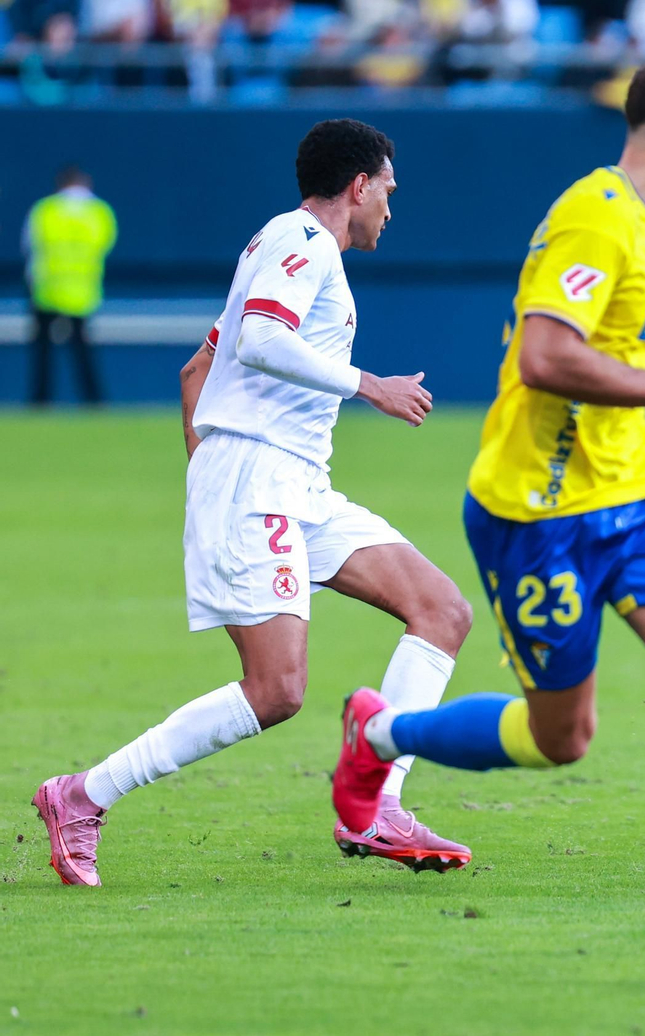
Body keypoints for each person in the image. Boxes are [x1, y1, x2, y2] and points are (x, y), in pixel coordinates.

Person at [330, 56, 645, 991]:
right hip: (535, 517)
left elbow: (596, 381)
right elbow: (546, 358)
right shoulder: (596, 215)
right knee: (563, 738)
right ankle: (380, 739)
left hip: (635, 502)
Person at [31, 120, 474, 886]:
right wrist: (367, 386)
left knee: (442, 610)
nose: (391, 212)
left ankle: (376, 807)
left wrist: (212, 462)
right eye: (389, 193)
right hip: (259, 481)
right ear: (359, 186)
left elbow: (194, 369)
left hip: (295, 482)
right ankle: (81, 796)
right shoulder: (302, 241)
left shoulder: (281, 247)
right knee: (277, 691)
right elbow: (259, 342)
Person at [23, 165, 116, 406]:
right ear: (85, 182)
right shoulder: (100, 212)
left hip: (46, 291)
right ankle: (94, 402)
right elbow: (105, 245)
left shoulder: (44, 210)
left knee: (43, 355)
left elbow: (29, 248)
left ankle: (40, 402)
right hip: (81, 293)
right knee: (83, 353)